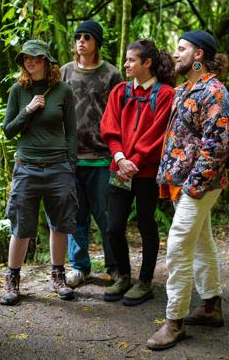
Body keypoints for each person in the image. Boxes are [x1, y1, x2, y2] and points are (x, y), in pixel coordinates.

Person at [147, 30, 229, 350]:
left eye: (182, 48)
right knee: (200, 242)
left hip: (199, 184)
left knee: (178, 246)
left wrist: (192, 187)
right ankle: (211, 306)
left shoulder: (215, 93)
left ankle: (174, 322)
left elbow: (217, 146)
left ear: (199, 55)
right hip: (183, 183)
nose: (176, 53)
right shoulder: (186, 90)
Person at [0, 40, 78, 306]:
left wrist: (70, 164)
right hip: (27, 168)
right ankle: (12, 280)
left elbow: (72, 131)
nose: (29, 62)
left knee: (60, 223)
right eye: (25, 59)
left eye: (34, 58)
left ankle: (58, 276)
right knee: (21, 225)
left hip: (58, 168)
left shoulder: (63, 91)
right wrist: (28, 110)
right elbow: (8, 130)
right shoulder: (17, 91)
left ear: (46, 60)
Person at [100, 38, 175, 306]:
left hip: (145, 174)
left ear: (147, 63)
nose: (126, 64)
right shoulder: (120, 91)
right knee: (113, 227)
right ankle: (123, 276)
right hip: (119, 170)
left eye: (132, 60)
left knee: (146, 224)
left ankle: (145, 281)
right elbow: (109, 128)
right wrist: (121, 159)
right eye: (126, 59)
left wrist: (135, 161)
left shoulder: (166, 94)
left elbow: (159, 135)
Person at [60, 20, 123, 287]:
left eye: (87, 37)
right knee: (75, 215)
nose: (81, 41)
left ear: (97, 42)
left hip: (102, 157)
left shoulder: (111, 74)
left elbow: (121, 115)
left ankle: (116, 266)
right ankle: (79, 266)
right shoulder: (63, 72)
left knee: (107, 215)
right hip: (71, 157)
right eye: (78, 37)